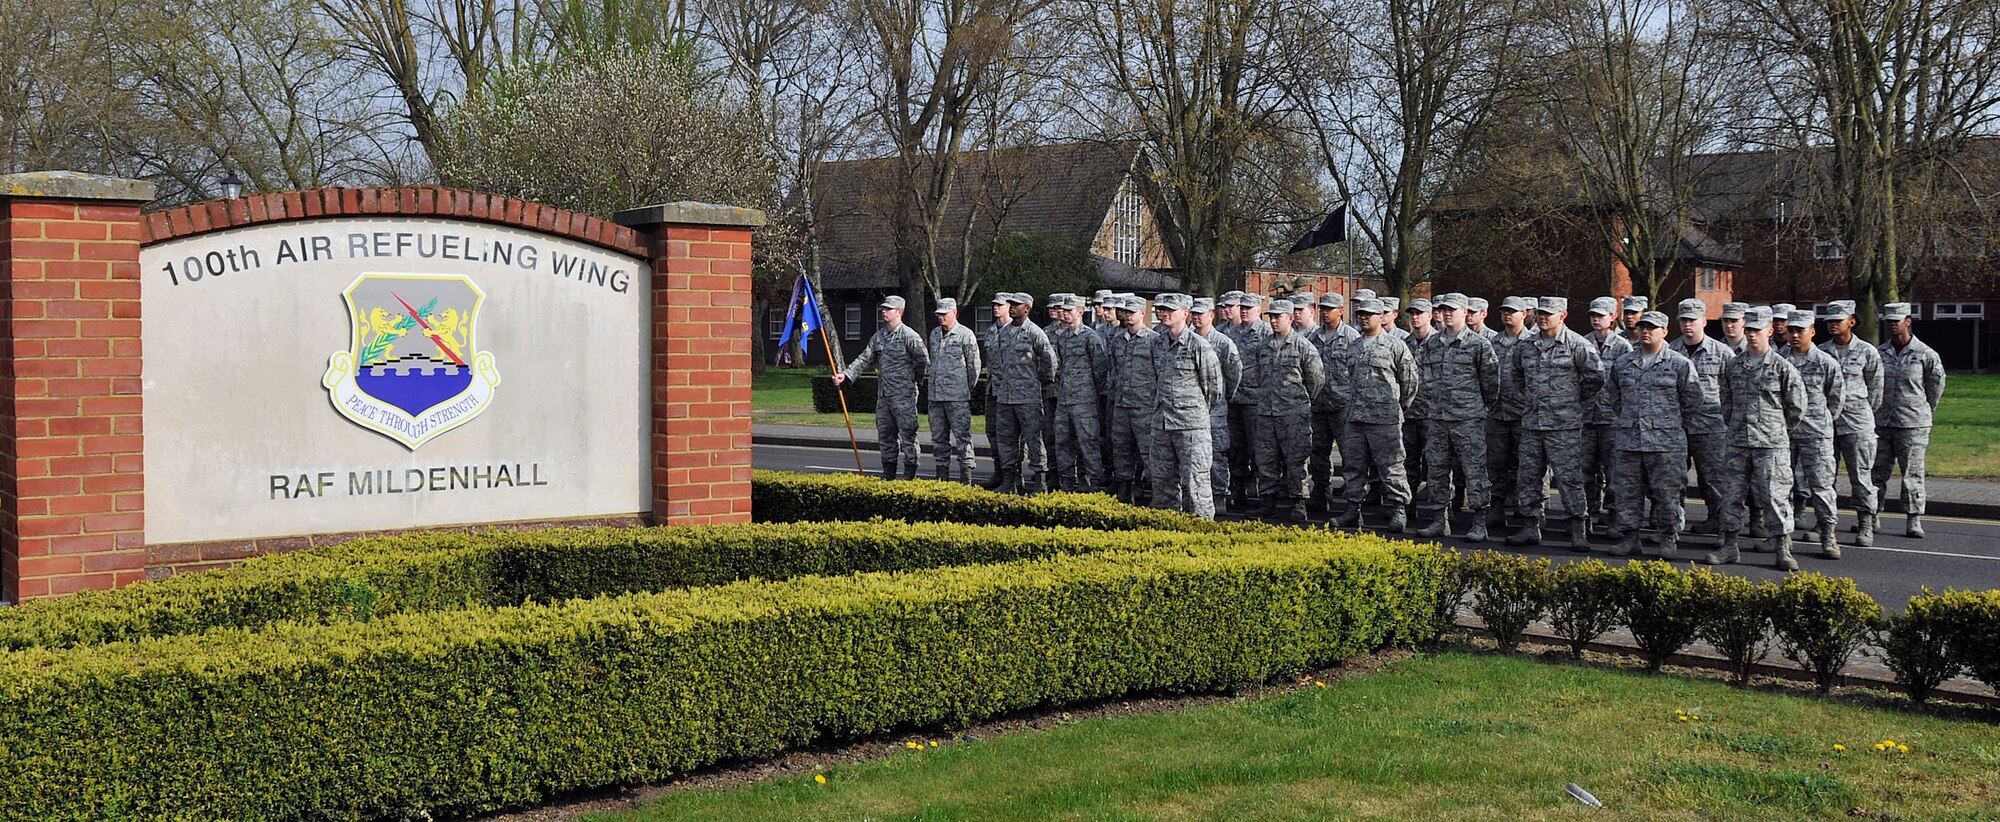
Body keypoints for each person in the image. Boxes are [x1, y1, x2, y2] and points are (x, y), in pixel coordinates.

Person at [1707, 306, 1806, 569]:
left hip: (1771, 444)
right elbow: (1725, 400)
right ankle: (1729, 546)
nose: (1751, 335)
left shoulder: (1783, 367)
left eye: (1757, 330)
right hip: (1738, 441)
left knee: (1774, 496)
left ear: (1770, 332)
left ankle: (1782, 548)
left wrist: (1777, 430)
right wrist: (1735, 425)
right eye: (1748, 329)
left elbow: (1796, 407)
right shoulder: (1734, 365)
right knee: (1731, 495)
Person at [1507, 297, 1605, 550]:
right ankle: (1530, 525)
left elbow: (1595, 378)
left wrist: (1571, 402)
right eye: (1540, 313)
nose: (1543, 318)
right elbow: (1516, 376)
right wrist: (1529, 400)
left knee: (1569, 479)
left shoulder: (1577, 345)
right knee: (1528, 477)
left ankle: (1577, 529)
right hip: (1532, 423)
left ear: (1562, 316)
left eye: (1549, 314)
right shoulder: (1526, 346)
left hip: (1564, 426)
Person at [1607, 311, 1705, 558]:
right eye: (1642, 327)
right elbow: (1614, 397)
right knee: (1627, 493)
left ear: (1665, 331)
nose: (1645, 331)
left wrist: (1669, 424)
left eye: (1651, 327)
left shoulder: (1679, 364)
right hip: (1630, 441)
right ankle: (1631, 538)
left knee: (1667, 494)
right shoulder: (1623, 363)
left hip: (1666, 443)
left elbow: (1693, 400)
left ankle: (1668, 538)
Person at [1413, 293, 1499, 540]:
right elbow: (1423, 377)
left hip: (1468, 419)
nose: (1447, 313)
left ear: (1465, 312)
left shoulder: (1479, 345)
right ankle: (1439, 519)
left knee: (1474, 472)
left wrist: (1477, 408)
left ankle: (1479, 522)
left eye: (1452, 309)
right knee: (1437, 471)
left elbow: (1491, 383)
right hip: (1438, 418)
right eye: (1443, 309)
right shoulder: (1432, 343)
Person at [1333, 298, 1419, 531]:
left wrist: (1398, 408)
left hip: (1385, 419)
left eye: (1369, 314)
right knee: (1353, 466)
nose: (1363, 317)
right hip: (1356, 418)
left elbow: (1410, 382)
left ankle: (1398, 509)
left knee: (1391, 466)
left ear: (1381, 317)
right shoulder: (1354, 346)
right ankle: (1352, 510)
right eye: (1360, 314)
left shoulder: (1395, 345)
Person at [832, 295, 928, 479]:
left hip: (904, 396)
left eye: (888, 309)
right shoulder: (879, 336)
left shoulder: (909, 336)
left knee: (908, 434)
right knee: (885, 435)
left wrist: (913, 381)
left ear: (899, 312)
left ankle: (910, 474)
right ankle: (888, 473)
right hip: (884, 396)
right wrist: (846, 374)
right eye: (883, 308)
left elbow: (923, 359)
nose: (883, 311)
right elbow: (864, 358)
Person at [1873, 302, 1948, 539]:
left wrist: (1924, 410)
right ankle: (1872, 515)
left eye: (1897, 320)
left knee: (1912, 474)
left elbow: (1935, 387)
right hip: (1882, 421)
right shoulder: (1878, 353)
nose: (1893, 325)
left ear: (1908, 321)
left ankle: (1913, 519)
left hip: (1912, 422)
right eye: (1889, 321)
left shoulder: (1925, 354)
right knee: (1876, 473)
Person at [1148, 293, 1226, 519]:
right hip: (1162, 422)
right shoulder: (1157, 343)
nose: (1163, 313)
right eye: (1161, 309)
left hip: (1191, 426)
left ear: (1185, 313)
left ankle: (1201, 532)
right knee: (1162, 483)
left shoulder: (1198, 346)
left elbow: (1214, 388)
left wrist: (1195, 413)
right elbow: (1156, 378)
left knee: (1196, 483)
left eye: (1170, 310)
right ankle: (1166, 530)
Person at [1781, 310, 1847, 558]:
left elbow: (1836, 399)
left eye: (1801, 330)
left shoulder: (1825, 362)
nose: (1795, 335)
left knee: (1821, 486)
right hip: (1785, 433)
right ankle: (1782, 536)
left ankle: (1828, 536)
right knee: (1782, 487)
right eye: (1792, 330)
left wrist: (1821, 421)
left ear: (1812, 331)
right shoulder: (1779, 359)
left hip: (1816, 433)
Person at [1255, 298, 1327, 520]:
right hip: (1267, 412)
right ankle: (1268, 501)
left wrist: (1299, 401)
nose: (1274, 321)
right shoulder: (1264, 346)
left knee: (1296, 461)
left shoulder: (1303, 346)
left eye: (1278, 317)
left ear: (1290, 318)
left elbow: (1316, 379)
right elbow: (1259, 375)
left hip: (1294, 414)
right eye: (1271, 317)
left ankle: (1298, 502)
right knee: (1266, 460)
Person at [1818, 300, 1883, 546]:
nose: (1833, 324)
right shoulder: (1821, 351)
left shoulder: (1867, 352)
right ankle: (1825, 524)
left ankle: (1865, 522)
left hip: (1857, 424)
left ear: (1852, 321)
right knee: (1824, 478)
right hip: (1826, 426)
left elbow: (1876, 391)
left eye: (1838, 320)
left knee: (1861, 477)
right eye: (1830, 321)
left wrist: (1861, 412)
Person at [1669, 298, 1735, 533]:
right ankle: (1673, 521)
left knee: (1713, 477)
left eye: (1692, 320)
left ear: (1704, 322)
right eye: (1684, 320)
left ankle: (1717, 519)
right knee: (1674, 477)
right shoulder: (1670, 351)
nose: (1688, 325)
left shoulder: (1722, 353)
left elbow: (1733, 389)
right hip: (1678, 425)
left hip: (1712, 426)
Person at [988, 292, 1057, 494]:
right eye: (1011, 304)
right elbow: (997, 362)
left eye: (1016, 305)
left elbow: (1049, 361)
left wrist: (1043, 382)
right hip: (1006, 397)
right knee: (1006, 441)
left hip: (1028, 397)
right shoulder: (1004, 333)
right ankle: (1010, 481)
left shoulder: (1035, 333)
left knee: (1034, 440)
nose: (1012, 308)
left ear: (1027, 309)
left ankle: (1040, 481)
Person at [1583, 297, 1635, 534]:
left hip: (1612, 420)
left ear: (1613, 317)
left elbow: (1626, 385)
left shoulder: (1623, 347)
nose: (1596, 319)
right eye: (1593, 315)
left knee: (1614, 472)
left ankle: (1615, 516)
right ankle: (1588, 515)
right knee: (1585, 470)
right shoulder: (1583, 343)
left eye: (1601, 315)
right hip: (1587, 418)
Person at [1049, 294, 1109, 492]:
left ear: (1080, 312)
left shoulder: (1090, 337)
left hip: (1084, 400)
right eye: (1063, 311)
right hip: (1064, 398)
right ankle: (1067, 480)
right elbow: (1060, 367)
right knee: (1063, 440)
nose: (1065, 315)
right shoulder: (1063, 337)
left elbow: (1100, 369)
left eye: (1069, 311)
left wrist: (1090, 391)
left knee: (1087, 441)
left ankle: (1094, 481)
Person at [1308, 292, 1360, 513]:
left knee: (1350, 453)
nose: (1325, 313)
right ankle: (1321, 491)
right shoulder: (1313, 338)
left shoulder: (1351, 337)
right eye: (1322, 308)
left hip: (1343, 405)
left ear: (1341, 311)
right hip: (1319, 405)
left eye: (1329, 309)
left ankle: (1352, 498)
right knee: (1318, 451)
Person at [1107, 295, 1160, 503]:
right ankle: (1124, 488)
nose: (1128, 316)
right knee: (1121, 448)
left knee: (1148, 451)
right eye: (1126, 312)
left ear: (1143, 313)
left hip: (1145, 406)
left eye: (1132, 312)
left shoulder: (1154, 340)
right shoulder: (1117, 340)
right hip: (1122, 405)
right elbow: (1113, 370)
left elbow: (1160, 372)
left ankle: (1154, 491)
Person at [1486, 296, 1533, 527]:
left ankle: (1531, 512)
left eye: (1512, 311)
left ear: (1524, 314)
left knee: (1528, 465)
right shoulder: (1493, 342)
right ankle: (1496, 507)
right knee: (1495, 463)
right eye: (1504, 311)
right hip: (1497, 413)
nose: (1507, 315)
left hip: (1524, 414)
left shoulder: (1532, 342)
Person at [1193, 297, 1242, 513]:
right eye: (1193, 314)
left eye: (1200, 314)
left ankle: (1219, 494)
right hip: (1193, 409)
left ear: (1210, 316)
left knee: (1217, 452)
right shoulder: (1188, 340)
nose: (1196, 318)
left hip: (1215, 409)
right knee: (1194, 454)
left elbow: (1234, 374)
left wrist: (1223, 397)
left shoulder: (1222, 343)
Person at [926, 298, 981, 483]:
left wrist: (964, 388)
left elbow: (974, 367)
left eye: (944, 314)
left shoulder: (966, 335)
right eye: (939, 315)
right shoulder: (934, 335)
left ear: (954, 313)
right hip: (936, 397)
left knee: (962, 438)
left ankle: (966, 477)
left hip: (957, 397)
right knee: (939, 439)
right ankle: (942, 475)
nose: (941, 318)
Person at [1223, 292, 1268, 510]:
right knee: (1236, 448)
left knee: (1258, 449)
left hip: (1255, 400)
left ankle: (1261, 492)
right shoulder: (1231, 332)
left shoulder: (1266, 333)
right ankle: (1238, 489)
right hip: (1234, 398)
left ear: (1258, 310)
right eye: (1242, 308)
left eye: (1248, 308)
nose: (1244, 311)